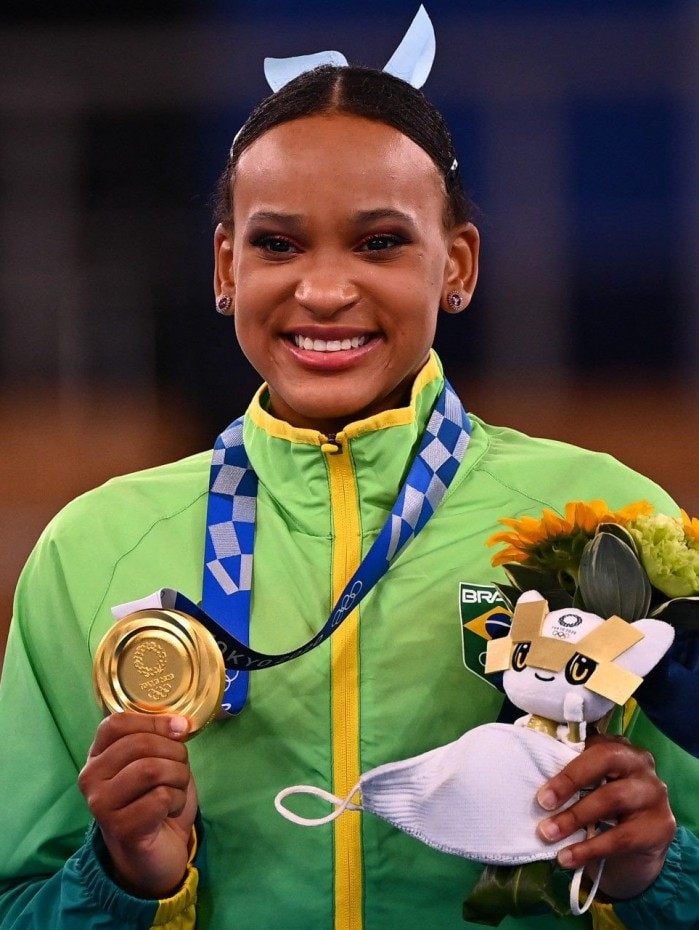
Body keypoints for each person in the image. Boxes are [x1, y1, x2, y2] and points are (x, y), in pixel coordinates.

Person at [0, 63, 697, 930]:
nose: (324, 291)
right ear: (225, 266)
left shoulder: (612, 525)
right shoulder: (92, 548)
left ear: (459, 264)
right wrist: (122, 878)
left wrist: (651, 872)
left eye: (378, 243)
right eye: (277, 245)